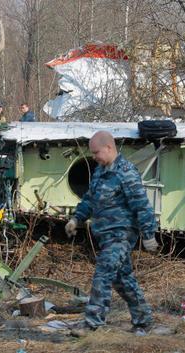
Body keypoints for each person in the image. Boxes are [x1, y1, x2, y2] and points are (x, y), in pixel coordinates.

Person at [65, 131, 159, 336]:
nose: (93, 157)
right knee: (122, 280)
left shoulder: (126, 172)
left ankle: (92, 325)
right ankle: (144, 320)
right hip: (105, 236)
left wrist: (149, 234)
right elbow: (90, 198)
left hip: (122, 235)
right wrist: (76, 219)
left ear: (109, 148)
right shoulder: (100, 171)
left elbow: (141, 205)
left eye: (96, 152)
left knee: (103, 273)